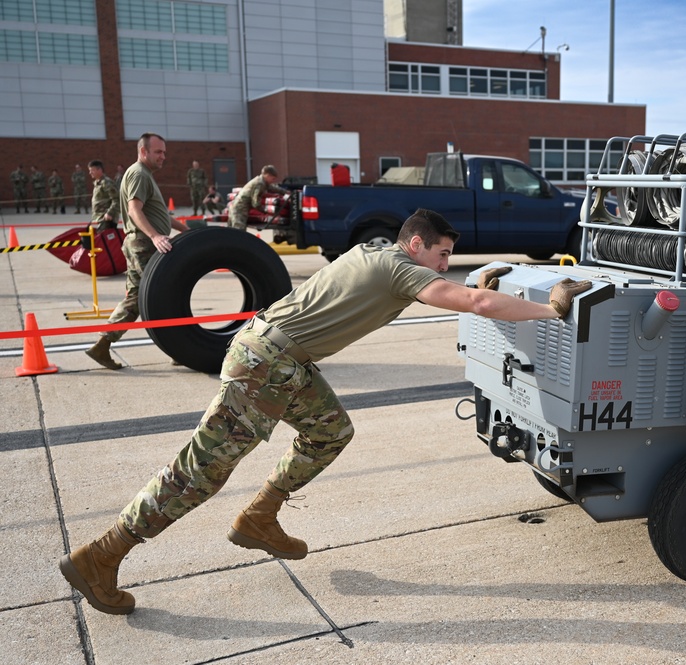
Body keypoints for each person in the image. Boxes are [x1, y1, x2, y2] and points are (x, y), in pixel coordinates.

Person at [59, 208, 591, 615]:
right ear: (415, 244)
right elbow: (470, 303)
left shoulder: (374, 255)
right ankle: (101, 556)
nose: (446, 264)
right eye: (443, 254)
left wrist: (478, 285)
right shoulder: (400, 268)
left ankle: (260, 515)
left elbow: (465, 292)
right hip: (266, 365)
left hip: (281, 358)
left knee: (330, 431)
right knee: (199, 473)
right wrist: (550, 309)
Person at [85, 133, 189, 370]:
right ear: (144, 152)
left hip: (141, 243)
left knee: (136, 299)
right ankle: (179, 350)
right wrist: (155, 236)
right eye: (158, 152)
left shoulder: (145, 175)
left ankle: (102, 345)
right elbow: (134, 210)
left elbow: (158, 213)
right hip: (144, 244)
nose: (163, 156)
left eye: (164, 152)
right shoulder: (139, 174)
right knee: (161, 296)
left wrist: (185, 230)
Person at [227, 165, 287, 231]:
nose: (273, 181)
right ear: (267, 175)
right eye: (273, 178)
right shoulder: (259, 184)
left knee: (232, 232)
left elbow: (272, 188)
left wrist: (285, 192)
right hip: (239, 209)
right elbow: (255, 203)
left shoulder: (262, 181)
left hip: (236, 207)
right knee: (239, 232)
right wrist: (265, 212)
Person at [88, 160, 120, 231]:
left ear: (99, 170)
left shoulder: (106, 182)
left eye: (92, 170)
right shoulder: (98, 183)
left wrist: (110, 213)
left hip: (107, 219)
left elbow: (117, 199)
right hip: (100, 218)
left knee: (105, 240)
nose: (90, 173)